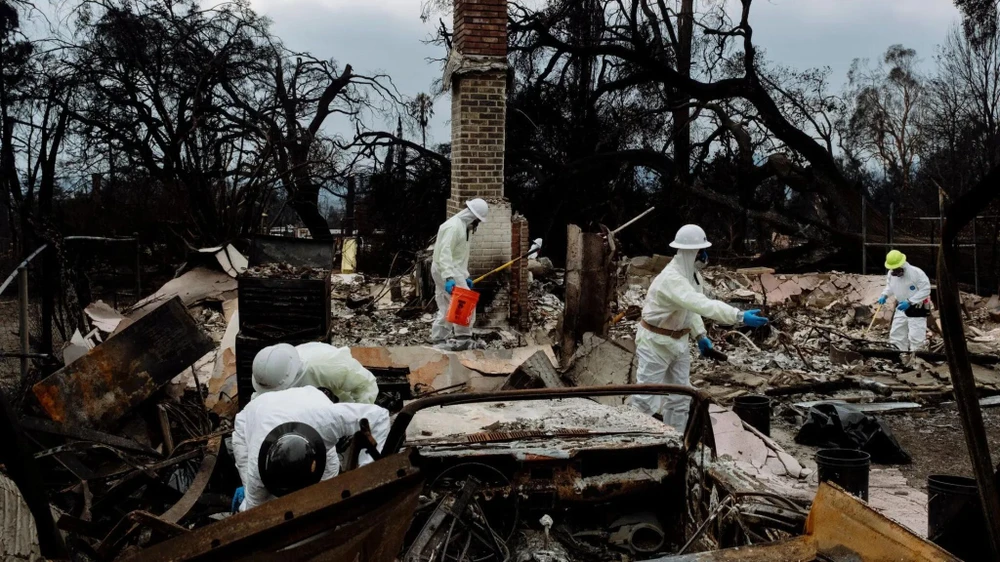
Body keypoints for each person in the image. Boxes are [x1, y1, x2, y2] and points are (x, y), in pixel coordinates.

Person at [628, 224, 769, 428]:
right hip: (655, 344)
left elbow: (688, 309)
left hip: (679, 343)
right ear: (690, 252)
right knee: (646, 400)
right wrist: (738, 316)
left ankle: (675, 443)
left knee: (680, 398)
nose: (704, 255)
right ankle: (637, 444)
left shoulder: (692, 275)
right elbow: (701, 305)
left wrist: (700, 334)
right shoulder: (672, 279)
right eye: (701, 251)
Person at [232, 385, 390, 511]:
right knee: (265, 506)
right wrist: (247, 505)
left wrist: (367, 473)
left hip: (308, 404)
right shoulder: (257, 471)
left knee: (328, 493)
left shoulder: (326, 422)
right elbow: (255, 514)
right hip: (249, 420)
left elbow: (379, 417)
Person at [430, 198, 489, 345]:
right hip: (446, 269)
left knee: (446, 307)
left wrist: (464, 275)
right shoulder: (453, 227)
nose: (477, 224)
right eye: (478, 221)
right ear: (473, 217)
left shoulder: (464, 227)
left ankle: (438, 338)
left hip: (448, 269)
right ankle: (463, 338)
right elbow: (445, 253)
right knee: (465, 303)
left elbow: (459, 256)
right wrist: (449, 277)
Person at [251, 342, 379, 404]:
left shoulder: (325, 365)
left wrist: (357, 422)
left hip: (339, 410)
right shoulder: (270, 376)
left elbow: (365, 385)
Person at [877, 250, 931, 352]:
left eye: (896, 269)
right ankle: (900, 357)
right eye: (893, 269)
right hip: (901, 307)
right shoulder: (891, 274)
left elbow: (926, 289)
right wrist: (884, 295)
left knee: (916, 336)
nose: (894, 272)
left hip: (917, 308)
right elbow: (890, 286)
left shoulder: (916, 273)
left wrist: (910, 301)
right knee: (896, 334)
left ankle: (917, 360)